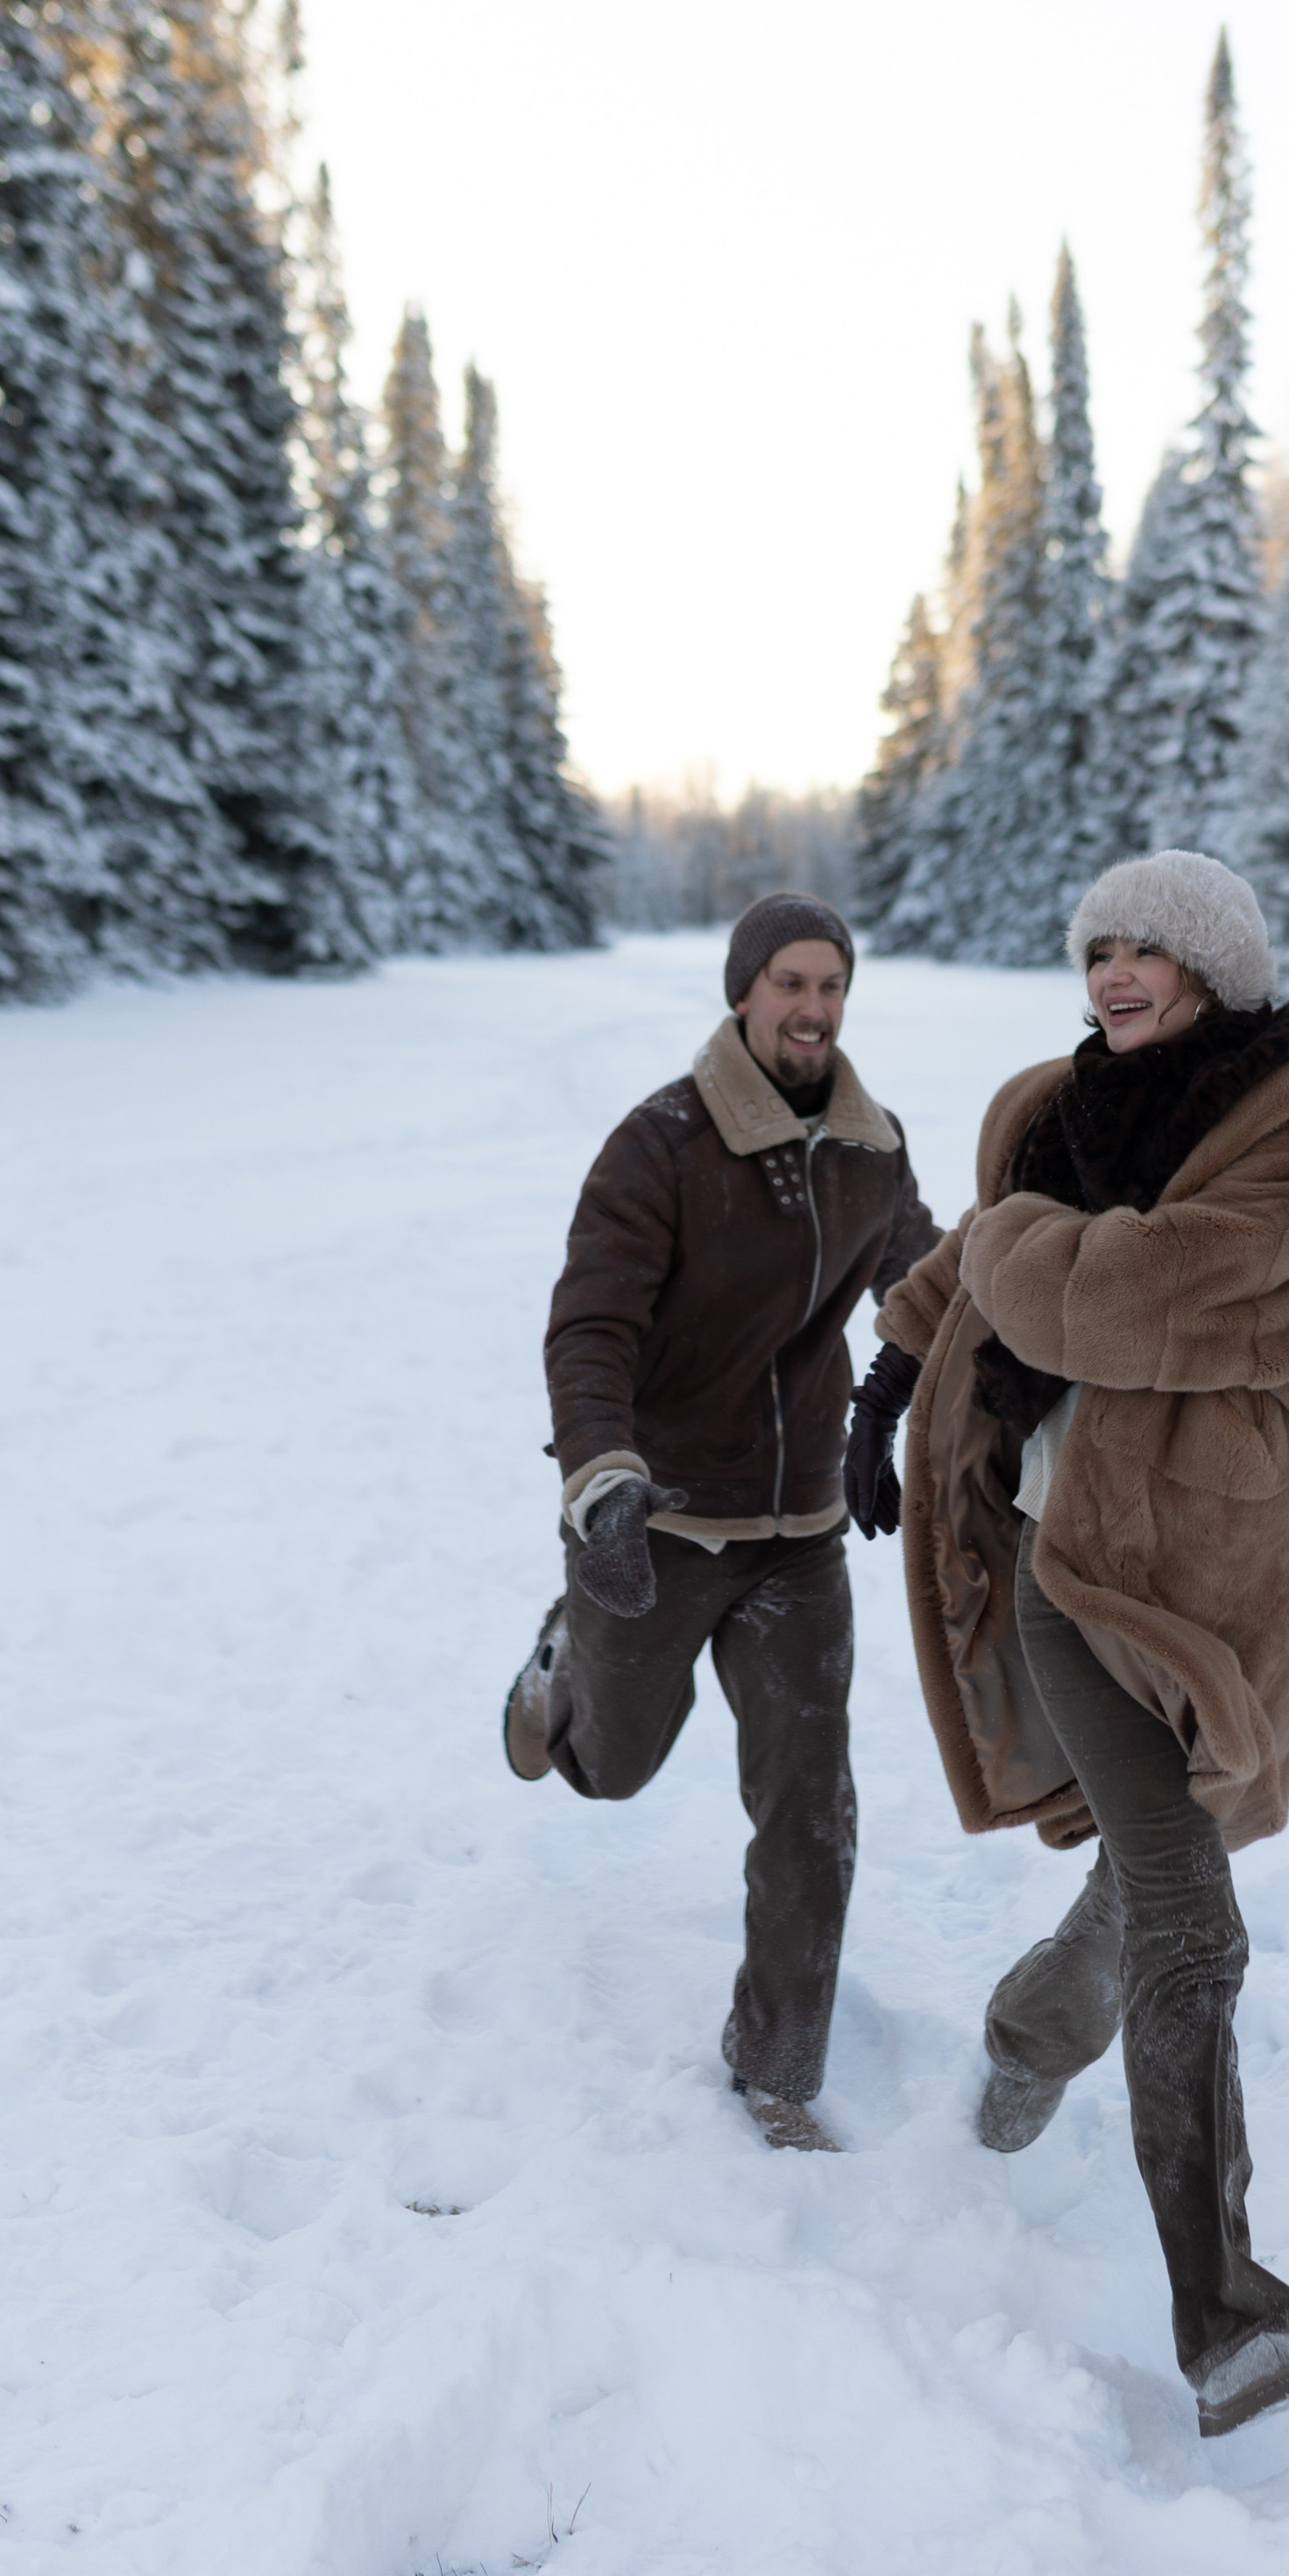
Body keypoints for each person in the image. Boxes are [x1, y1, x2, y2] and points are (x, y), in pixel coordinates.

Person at [849, 850, 1289, 2436]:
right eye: (1098, 945)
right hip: (1073, 1575)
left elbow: (1101, 1306)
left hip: (1222, 1588)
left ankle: (1022, 2039)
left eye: (1148, 950)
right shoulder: (1055, 1108)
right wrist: (889, 1377)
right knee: (1192, 1913)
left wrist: (1007, 1254)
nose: (1113, 970)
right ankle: (1235, 2330)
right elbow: (986, 1250)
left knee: (1143, 1874)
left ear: (1215, 971)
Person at [502, 893, 937, 2153]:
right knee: (613, 1769)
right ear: (743, 994)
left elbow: (920, 1280)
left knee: (811, 1798)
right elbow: (590, 1326)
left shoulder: (871, 1145)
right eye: (789, 983)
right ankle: (567, 1656)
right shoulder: (663, 1144)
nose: (812, 1008)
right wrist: (602, 1480)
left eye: (831, 986)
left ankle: (779, 2067)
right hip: (662, 1514)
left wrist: (996, 1342)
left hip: (797, 1531)